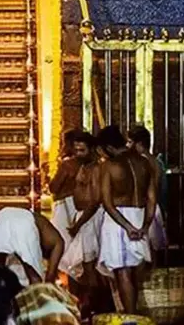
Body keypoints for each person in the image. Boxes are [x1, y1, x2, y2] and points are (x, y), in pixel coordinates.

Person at [94, 125, 155, 314]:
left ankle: (131, 317)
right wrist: (145, 226)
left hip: (118, 221)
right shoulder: (144, 163)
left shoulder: (109, 166)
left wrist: (127, 227)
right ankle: (134, 313)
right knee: (137, 269)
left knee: (123, 272)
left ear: (108, 147)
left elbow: (107, 202)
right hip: (140, 214)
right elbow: (152, 198)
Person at [61, 131, 102, 316]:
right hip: (81, 217)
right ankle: (84, 305)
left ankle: (93, 307)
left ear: (92, 150)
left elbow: (95, 201)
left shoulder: (96, 169)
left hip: (90, 218)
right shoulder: (82, 166)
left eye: (82, 150)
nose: (78, 154)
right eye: (76, 150)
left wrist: (79, 225)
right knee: (80, 267)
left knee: (89, 266)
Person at [0, 208, 65, 286]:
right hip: (22, 223)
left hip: (0, 218)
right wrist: (49, 282)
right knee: (35, 276)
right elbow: (50, 277)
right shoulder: (58, 244)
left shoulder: (45, 229)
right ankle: (37, 294)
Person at [127, 126, 168, 251]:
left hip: (145, 208)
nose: (127, 145)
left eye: (130, 142)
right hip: (154, 207)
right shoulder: (156, 161)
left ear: (139, 144)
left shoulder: (142, 162)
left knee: (142, 248)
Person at [48, 129, 85, 248]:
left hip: (66, 205)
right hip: (83, 204)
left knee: (62, 241)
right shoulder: (91, 163)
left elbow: (54, 187)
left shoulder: (68, 164)